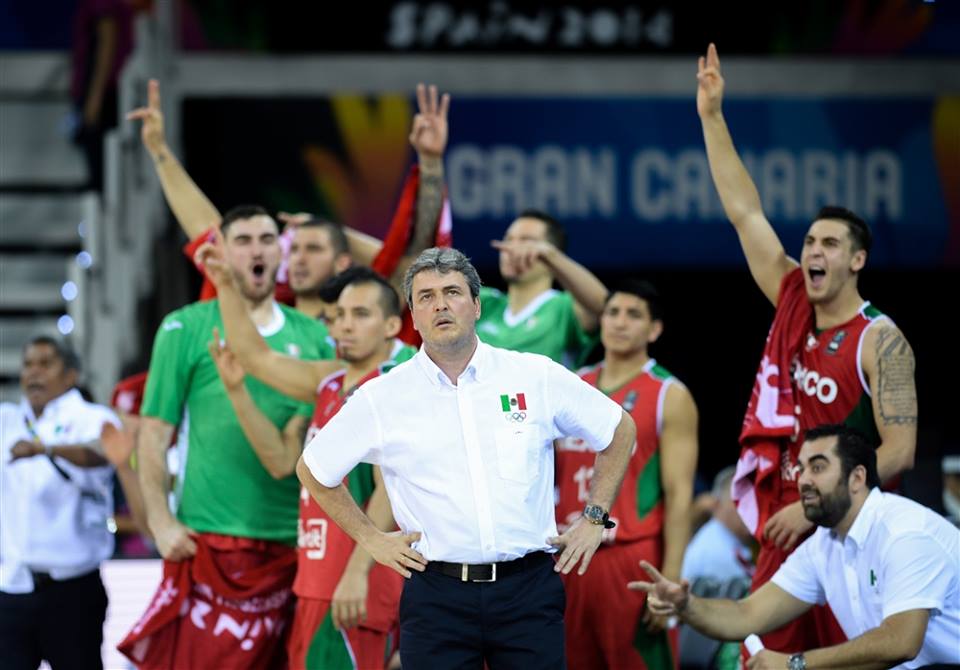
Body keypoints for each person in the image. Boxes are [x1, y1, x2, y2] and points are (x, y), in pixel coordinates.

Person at [296, 247, 637, 668]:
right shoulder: (382, 396)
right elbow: (313, 469)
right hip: (436, 595)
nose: (440, 304)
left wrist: (595, 517)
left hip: (528, 589)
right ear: (412, 316)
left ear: (476, 305)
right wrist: (370, 538)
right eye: (426, 297)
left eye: (452, 292)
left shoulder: (534, 374)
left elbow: (619, 428)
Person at [696, 43, 918, 653]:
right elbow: (745, 212)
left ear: (858, 259)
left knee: (854, 656)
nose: (814, 251)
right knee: (764, 652)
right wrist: (712, 116)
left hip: (850, 522)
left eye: (830, 244)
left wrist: (820, 505)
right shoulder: (793, 296)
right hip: (787, 513)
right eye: (810, 242)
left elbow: (900, 450)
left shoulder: (880, 339)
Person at [118, 206, 334, 669]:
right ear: (221, 252)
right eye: (243, 240)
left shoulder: (316, 337)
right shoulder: (184, 326)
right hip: (208, 543)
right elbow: (154, 433)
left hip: (294, 547)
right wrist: (160, 520)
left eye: (267, 239)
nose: (257, 250)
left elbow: (304, 452)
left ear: (281, 252)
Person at [198, 249, 409, 669]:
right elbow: (255, 358)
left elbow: (390, 489)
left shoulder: (395, 384)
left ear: (391, 326)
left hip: (358, 584)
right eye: (338, 315)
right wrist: (225, 284)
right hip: (315, 578)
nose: (344, 325)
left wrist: (357, 572)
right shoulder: (329, 381)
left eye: (361, 314)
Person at [630, 424, 960, 670]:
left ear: (857, 478)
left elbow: (901, 642)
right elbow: (747, 614)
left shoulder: (904, 533)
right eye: (801, 469)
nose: (803, 480)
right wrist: (687, 605)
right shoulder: (824, 544)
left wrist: (794, 664)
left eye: (818, 467)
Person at [127, 79, 451, 322]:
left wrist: (430, 165)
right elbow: (204, 226)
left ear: (342, 263)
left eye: (313, 249)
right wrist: (159, 151)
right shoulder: (249, 304)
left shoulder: (357, 324)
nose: (297, 258)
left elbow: (411, 271)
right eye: (292, 249)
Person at [555, 279, 699, 669]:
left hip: (629, 557)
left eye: (633, 315)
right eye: (612, 313)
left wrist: (670, 577)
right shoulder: (571, 385)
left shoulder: (670, 394)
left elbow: (679, 494)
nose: (619, 322)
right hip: (567, 555)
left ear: (654, 329)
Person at [0, 336, 121, 670]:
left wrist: (47, 450)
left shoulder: (92, 417)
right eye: (28, 364)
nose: (33, 372)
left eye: (45, 363)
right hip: (12, 587)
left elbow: (104, 452)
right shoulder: (7, 420)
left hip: (72, 589)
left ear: (71, 375)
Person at [479, 209, 608, 366]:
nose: (511, 248)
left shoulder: (564, 307)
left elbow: (605, 306)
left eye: (526, 242)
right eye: (508, 239)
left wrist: (551, 257)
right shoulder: (484, 303)